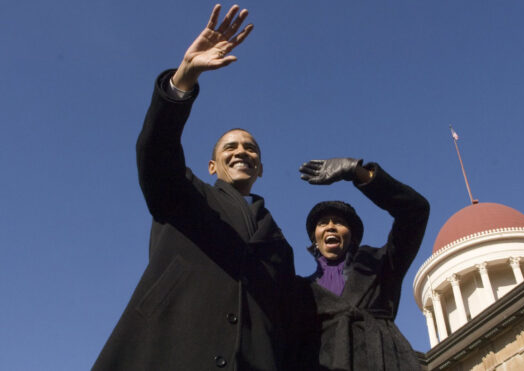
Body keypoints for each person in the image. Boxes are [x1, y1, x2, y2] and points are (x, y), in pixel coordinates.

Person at [93, 4, 296, 370]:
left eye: (250, 147)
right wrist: (183, 80)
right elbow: (155, 150)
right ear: (211, 165)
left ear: (261, 168)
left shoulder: (279, 244)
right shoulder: (185, 194)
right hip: (169, 351)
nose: (242, 151)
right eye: (230, 147)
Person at [296, 158, 430, 370]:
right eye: (323, 223)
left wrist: (356, 172)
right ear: (315, 239)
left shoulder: (382, 265)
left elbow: (415, 211)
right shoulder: (300, 291)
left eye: (339, 222)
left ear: (353, 236)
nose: (330, 227)